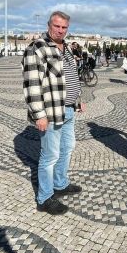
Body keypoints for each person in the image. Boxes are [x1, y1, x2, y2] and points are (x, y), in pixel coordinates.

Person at [22, 11, 85, 215]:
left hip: (67, 109)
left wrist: (77, 100)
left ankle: (60, 184)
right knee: (49, 155)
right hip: (50, 111)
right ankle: (45, 197)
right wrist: (39, 114)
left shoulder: (65, 47)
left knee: (67, 148)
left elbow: (70, 76)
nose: (60, 30)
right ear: (49, 25)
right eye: (57, 26)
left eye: (64, 27)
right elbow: (32, 84)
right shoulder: (37, 48)